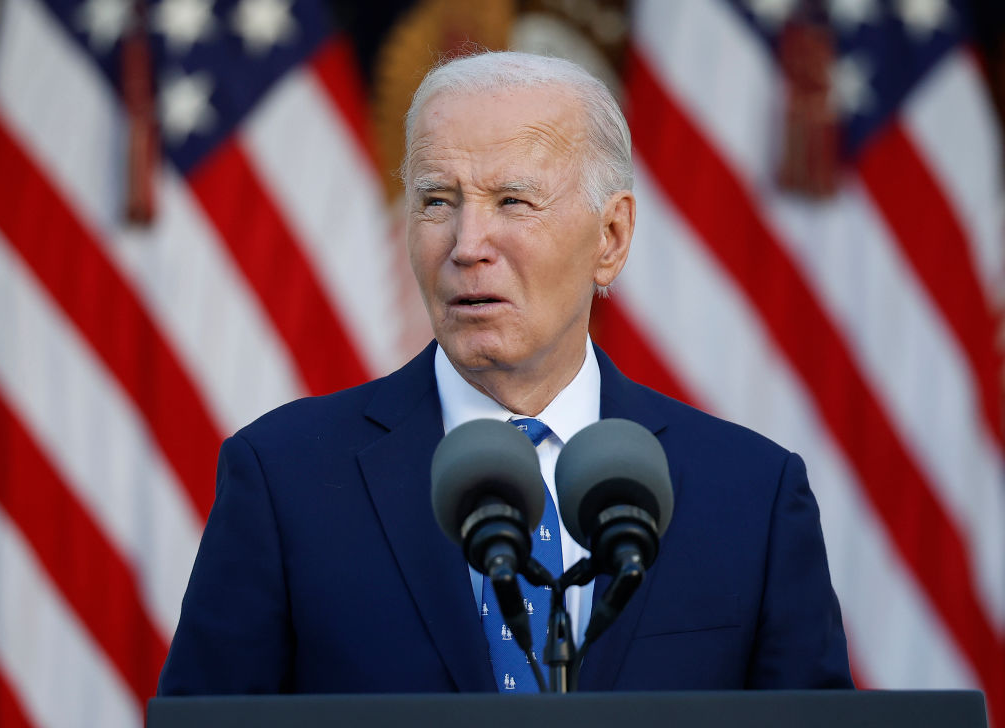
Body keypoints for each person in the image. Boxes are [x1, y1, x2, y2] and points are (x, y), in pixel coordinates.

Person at [158, 51, 852, 695]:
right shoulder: (284, 479)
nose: (466, 246)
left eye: (513, 202)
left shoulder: (752, 496)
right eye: (436, 200)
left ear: (610, 239)